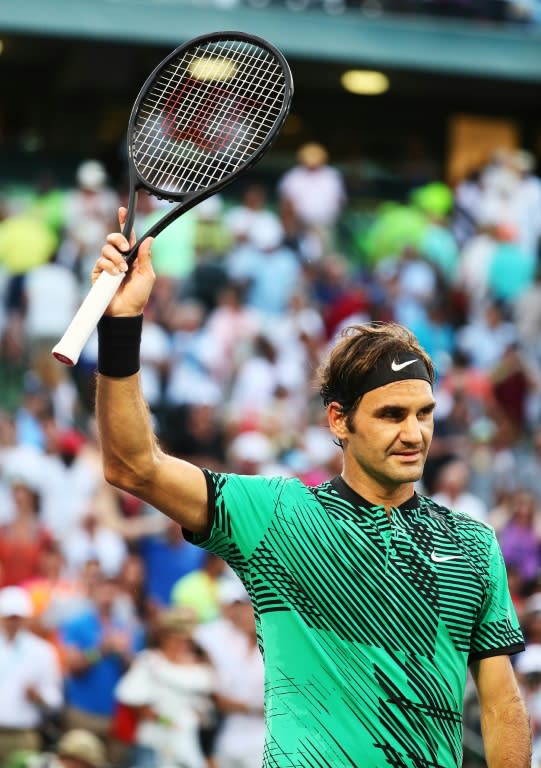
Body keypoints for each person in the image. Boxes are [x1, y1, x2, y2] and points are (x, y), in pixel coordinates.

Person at [91, 209, 530, 768]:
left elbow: (499, 701)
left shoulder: (472, 543)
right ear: (339, 421)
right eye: (392, 414)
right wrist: (121, 323)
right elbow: (134, 466)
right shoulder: (277, 515)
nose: (414, 433)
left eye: (424, 413)